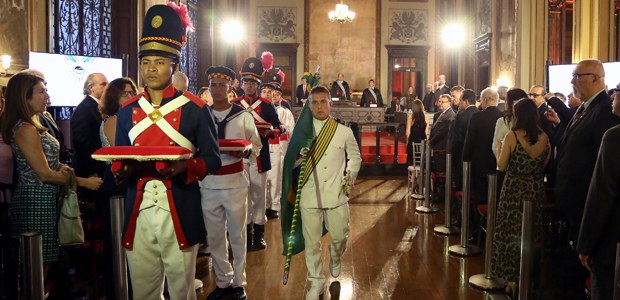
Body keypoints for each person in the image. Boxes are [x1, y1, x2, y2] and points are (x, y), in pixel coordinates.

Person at [113, 4, 221, 299]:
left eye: (159, 61)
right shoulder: (126, 111)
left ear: (174, 66)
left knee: (181, 291)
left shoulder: (196, 110)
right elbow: (119, 156)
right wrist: (121, 169)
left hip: (180, 209)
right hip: (139, 211)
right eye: (146, 62)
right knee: (144, 292)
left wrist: (186, 167)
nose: (151, 69)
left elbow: (212, 158)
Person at [0, 73, 102, 279]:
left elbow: (46, 162)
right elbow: (44, 174)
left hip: (45, 198)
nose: (47, 94)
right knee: (37, 267)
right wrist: (84, 182)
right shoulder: (25, 128)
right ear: (25, 98)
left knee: (44, 264)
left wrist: (62, 166)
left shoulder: (35, 123)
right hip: (35, 201)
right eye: (41, 91)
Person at [200, 66, 261, 300]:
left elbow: (256, 146)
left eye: (222, 85)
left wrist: (244, 154)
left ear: (231, 87)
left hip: (235, 182)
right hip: (209, 183)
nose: (217, 89)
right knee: (215, 237)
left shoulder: (243, 115)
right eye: (212, 85)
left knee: (237, 234)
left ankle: (239, 282)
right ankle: (223, 280)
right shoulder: (201, 114)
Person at [300, 86, 361, 299]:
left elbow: (355, 157)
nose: (319, 106)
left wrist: (349, 178)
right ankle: (315, 282)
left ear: (330, 103)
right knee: (312, 242)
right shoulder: (302, 133)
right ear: (309, 105)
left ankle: (335, 256)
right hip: (309, 195)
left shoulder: (343, 131)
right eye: (314, 102)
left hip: (336, 194)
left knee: (339, 237)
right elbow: (291, 163)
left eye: (323, 101)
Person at [553, 59, 620, 245]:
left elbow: (603, 162)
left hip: (583, 201)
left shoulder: (605, 110)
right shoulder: (583, 108)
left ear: (596, 79)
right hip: (571, 200)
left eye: (577, 76)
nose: (572, 81)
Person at [491, 98, 550, 293]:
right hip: (534, 189)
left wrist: (500, 149)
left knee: (510, 234)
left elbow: (501, 166)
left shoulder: (512, 136)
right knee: (530, 235)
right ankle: (529, 278)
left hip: (514, 189)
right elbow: (544, 165)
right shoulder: (545, 137)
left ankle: (513, 280)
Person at [232, 57, 282, 251]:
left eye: (253, 82)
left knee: (258, 195)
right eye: (246, 82)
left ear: (258, 85)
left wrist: (270, 132)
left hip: (260, 156)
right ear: (242, 84)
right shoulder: (235, 104)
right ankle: (245, 232)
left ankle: (259, 234)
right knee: (241, 195)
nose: (249, 86)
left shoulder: (267, 106)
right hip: (239, 156)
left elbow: (279, 129)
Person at [577, 83, 620, 300]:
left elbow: (601, 194)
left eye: (616, 93)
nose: (612, 97)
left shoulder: (614, 137)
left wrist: (585, 244)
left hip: (612, 242)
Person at [462, 87, 502, 205]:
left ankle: (477, 222)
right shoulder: (502, 116)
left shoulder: (477, 117)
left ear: (484, 100)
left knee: (480, 198)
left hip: (479, 164)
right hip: (498, 163)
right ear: (497, 100)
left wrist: (465, 159)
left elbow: (470, 141)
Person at [71, 72, 108, 189]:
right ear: (91, 88)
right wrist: (91, 172)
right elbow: (82, 143)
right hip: (91, 174)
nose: (107, 87)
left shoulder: (97, 107)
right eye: (103, 84)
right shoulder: (85, 109)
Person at [448, 89, 478, 191]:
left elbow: (457, 139)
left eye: (460, 100)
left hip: (461, 155)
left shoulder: (460, 116)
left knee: (461, 185)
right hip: (476, 157)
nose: (459, 103)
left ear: (465, 102)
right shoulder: (480, 114)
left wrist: (451, 155)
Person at [405, 99, 427, 165]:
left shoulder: (411, 117)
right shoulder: (426, 117)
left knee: (411, 159)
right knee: (422, 157)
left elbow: (407, 133)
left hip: (413, 141)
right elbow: (426, 132)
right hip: (422, 141)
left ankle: (412, 169)